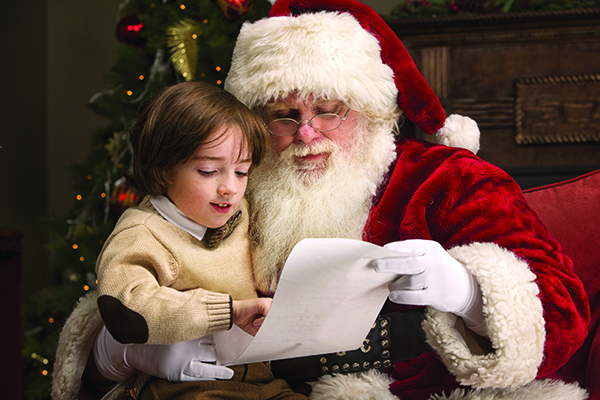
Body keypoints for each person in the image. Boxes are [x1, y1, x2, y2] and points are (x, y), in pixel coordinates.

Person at [52, 1, 591, 399]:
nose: (307, 135)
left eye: (330, 110)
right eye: (284, 116)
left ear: (373, 110)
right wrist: (122, 351)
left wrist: (470, 290)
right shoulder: (231, 191)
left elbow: (564, 312)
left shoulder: (447, 181)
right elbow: (130, 289)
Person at [52, 81, 307, 400]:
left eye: (241, 173)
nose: (229, 187)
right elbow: (125, 308)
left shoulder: (242, 212)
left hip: (261, 381)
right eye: (208, 171)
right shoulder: (144, 231)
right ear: (163, 168)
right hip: (186, 384)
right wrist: (228, 312)